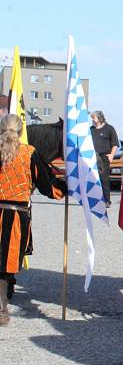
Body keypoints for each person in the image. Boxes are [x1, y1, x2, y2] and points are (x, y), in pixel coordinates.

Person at [0, 114, 66, 326]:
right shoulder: (29, 153)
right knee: (5, 261)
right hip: (15, 215)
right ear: (21, 132)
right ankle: (1, 308)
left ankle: (3, 302)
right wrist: (66, 187)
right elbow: (48, 185)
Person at [90, 110, 119, 206]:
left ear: (99, 118)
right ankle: (95, 200)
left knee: (103, 179)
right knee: (93, 178)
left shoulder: (109, 129)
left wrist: (112, 155)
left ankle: (107, 201)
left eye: (93, 118)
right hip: (92, 156)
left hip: (103, 157)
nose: (92, 120)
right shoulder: (91, 129)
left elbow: (115, 144)